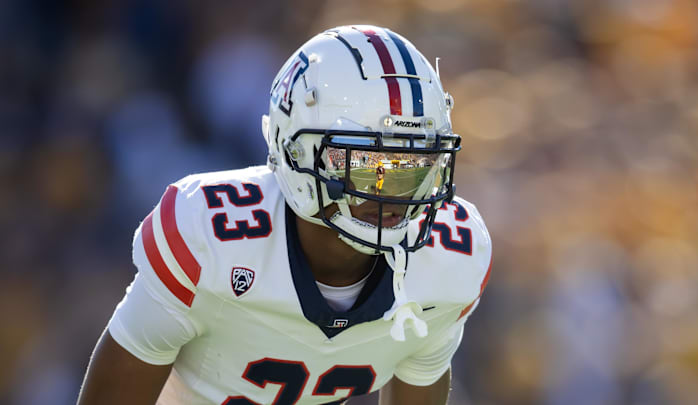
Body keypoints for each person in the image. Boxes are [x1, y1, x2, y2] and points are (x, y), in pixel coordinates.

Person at [77, 25, 492, 405]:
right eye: (368, 164)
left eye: (412, 167)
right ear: (295, 151)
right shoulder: (208, 238)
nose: (395, 195)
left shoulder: (452, 258)